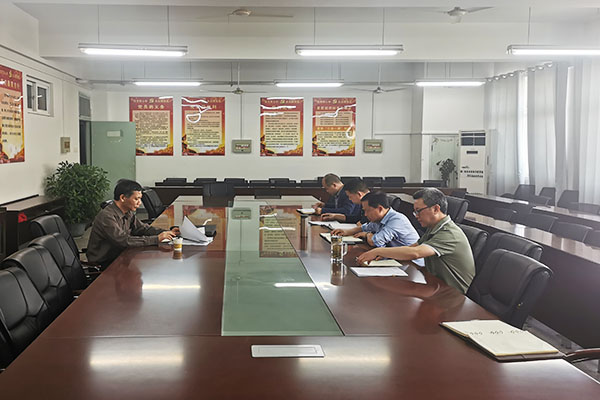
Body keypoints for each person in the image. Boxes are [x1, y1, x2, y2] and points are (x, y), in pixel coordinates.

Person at [357, 188, 475, 294]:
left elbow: (416, 253)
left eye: (418, 211)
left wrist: (378, 251)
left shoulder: (449, 233)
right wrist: (385, 255)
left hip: (452, 294)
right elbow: (412, 248)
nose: (416, 216)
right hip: (435, 284)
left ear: (436, 209)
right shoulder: (434, 228)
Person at [87, 179, 179, 268]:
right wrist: (156, 239)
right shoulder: (107, 216)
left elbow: (142, 228)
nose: (139, 203)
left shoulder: (127, 212)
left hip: (121, 255)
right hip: (106, 263)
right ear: (123, 198)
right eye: (136, 199)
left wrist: (167, 232)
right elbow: (123, 241)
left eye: (140, 199)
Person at [332, 191, 423, 266]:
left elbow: (375, 241)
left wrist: (367, 235)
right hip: (396, 258)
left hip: (412, 264)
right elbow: (365, 227)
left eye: (367, 211)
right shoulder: (379, 218)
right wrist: (347, 231)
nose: (365, 215)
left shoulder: (397, 220)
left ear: (379, 209)